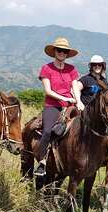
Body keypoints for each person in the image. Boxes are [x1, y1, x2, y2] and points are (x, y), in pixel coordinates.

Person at [33, 38, 79, 177]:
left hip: (70, 105)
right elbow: (48, 91)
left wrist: (79, 101)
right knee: (47, 131)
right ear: (54, 51)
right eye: (59, 50)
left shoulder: (71, 69)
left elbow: (75, 87)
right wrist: (64, 98)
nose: (62, 53)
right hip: (53, 105)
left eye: (65, 51)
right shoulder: (46, 68)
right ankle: (42, 161)